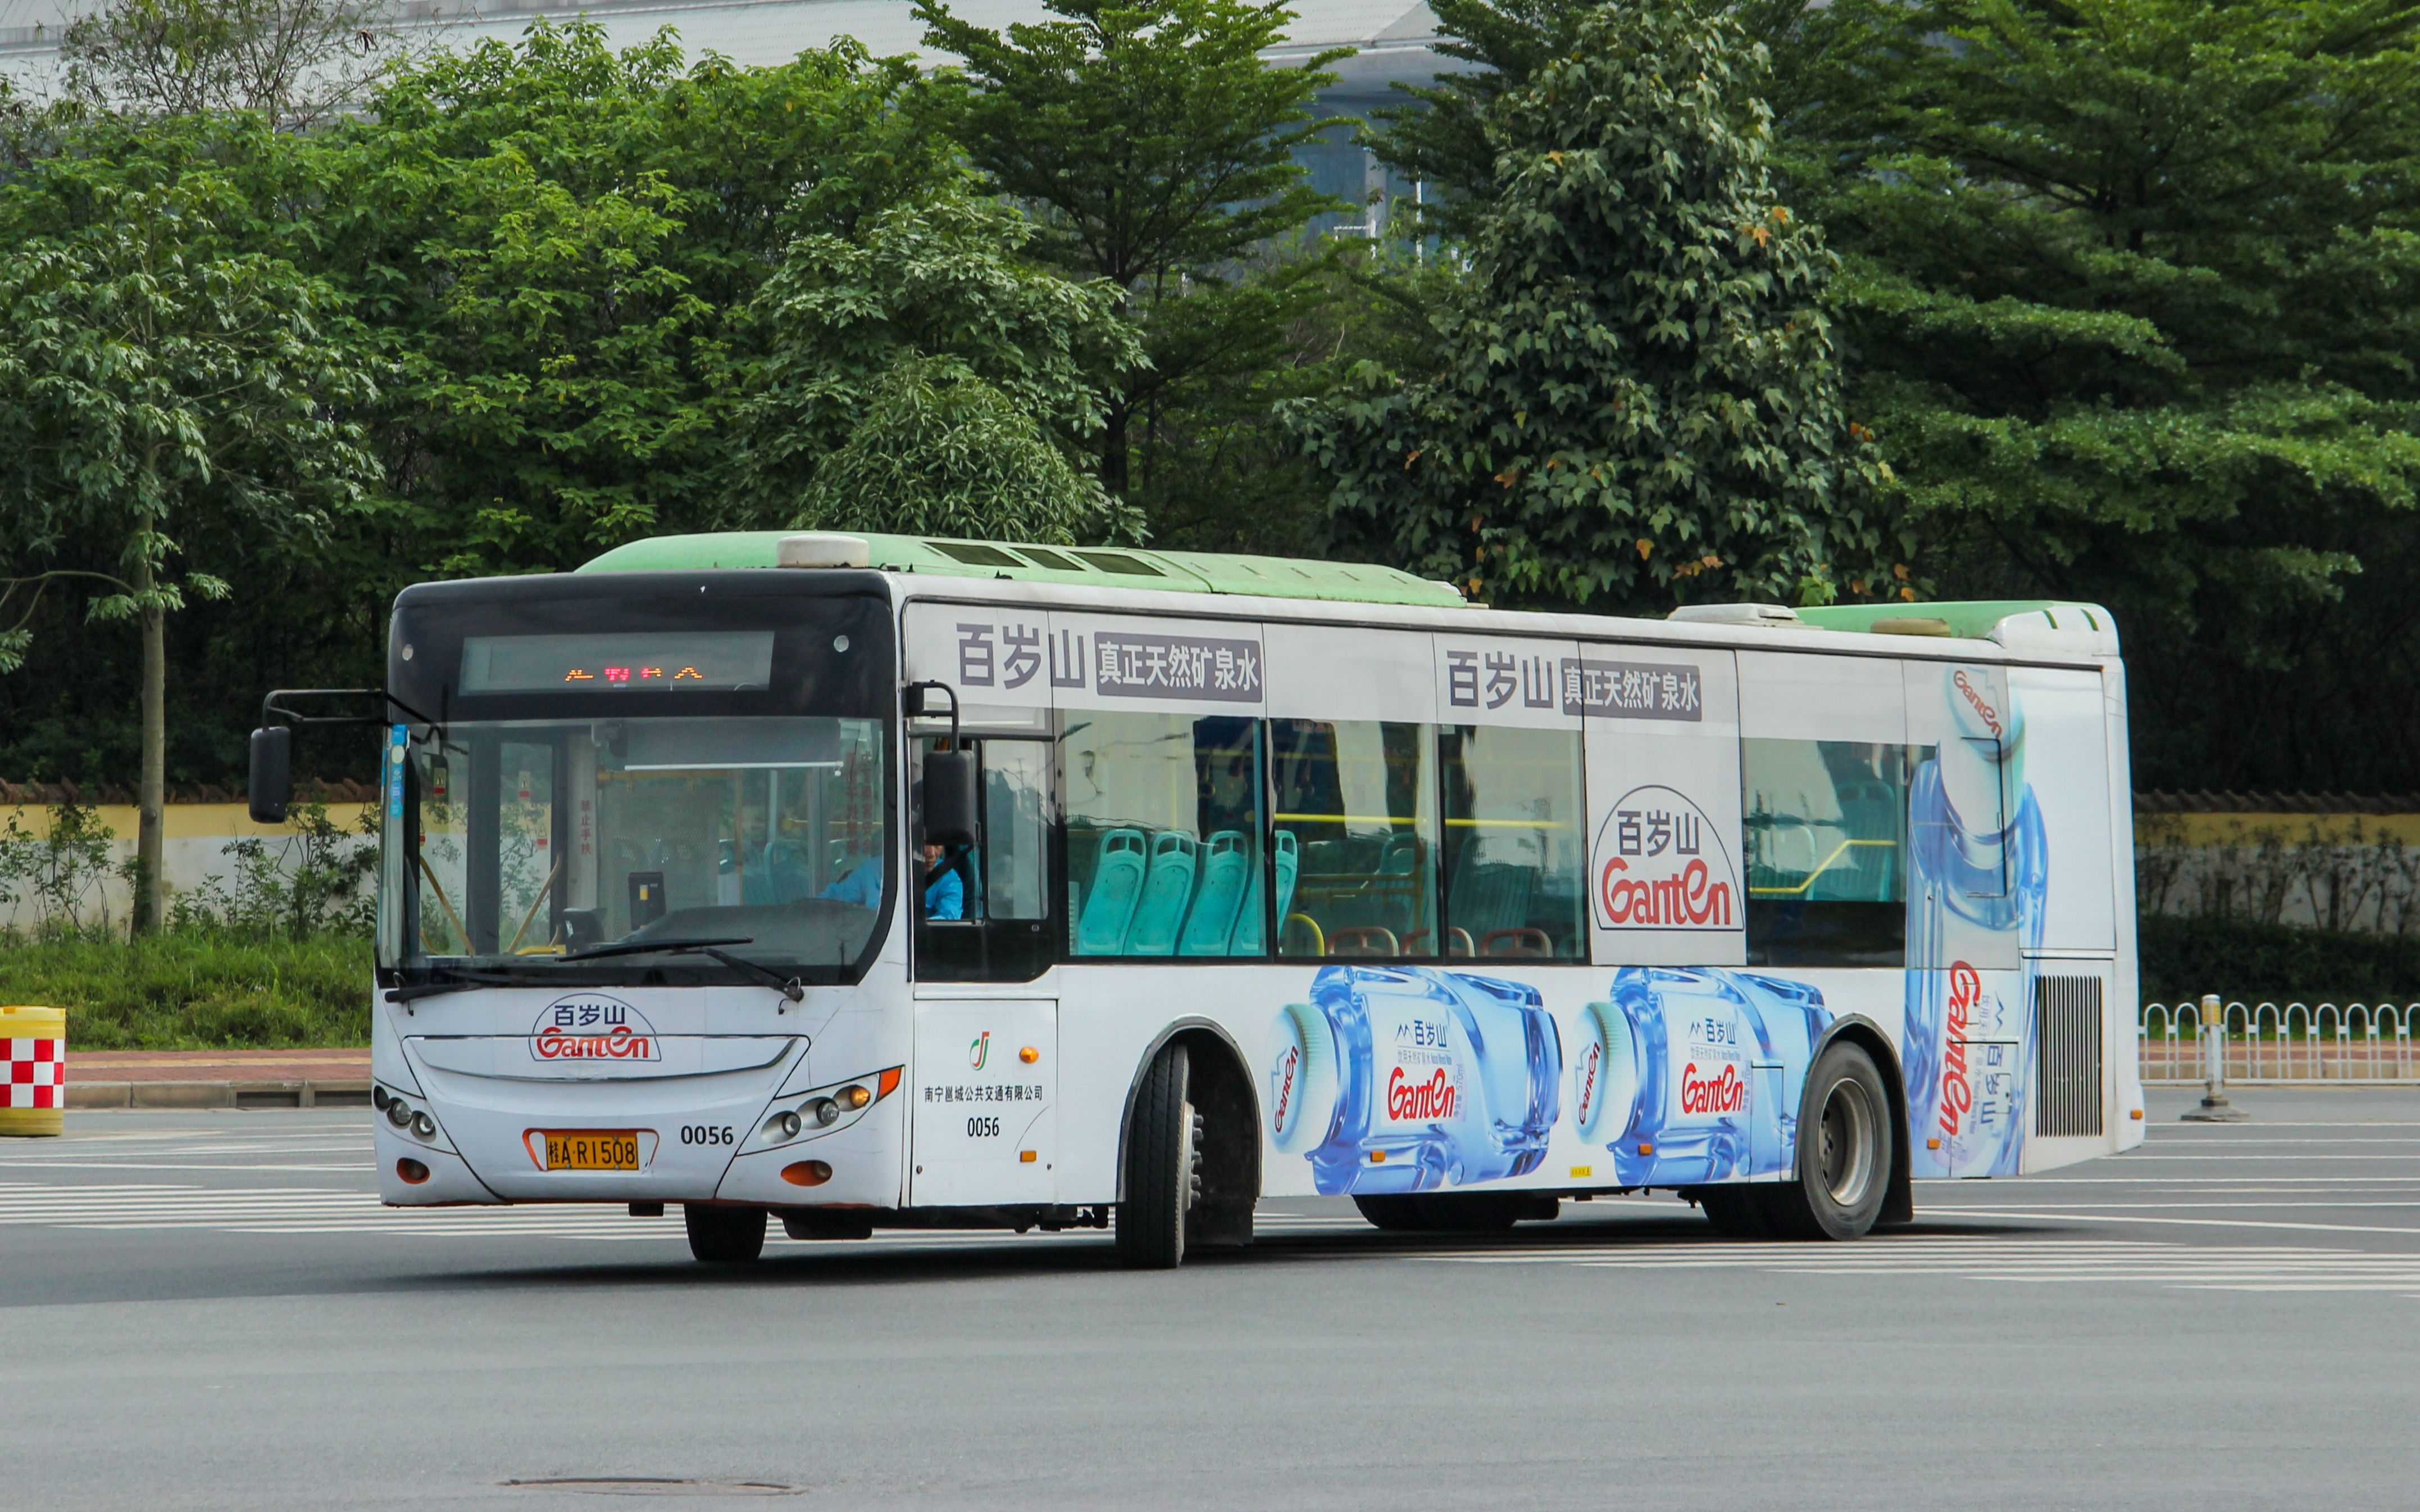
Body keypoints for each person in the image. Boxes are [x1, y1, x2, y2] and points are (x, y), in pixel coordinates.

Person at [921, 842, 965, 921]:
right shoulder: (897, 868)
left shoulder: (949, 879)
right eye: (925, 844)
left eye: (937, 845)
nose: (931, 854)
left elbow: (949, 918)